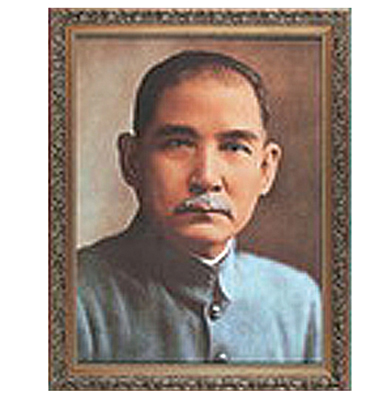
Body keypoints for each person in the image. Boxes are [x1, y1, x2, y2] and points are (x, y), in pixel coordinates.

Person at [77, 50, 322, 363]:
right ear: (132, 161)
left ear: (266, 170)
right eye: (178, 144)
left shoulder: (298, 302)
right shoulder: (72, 295)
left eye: (234, 147)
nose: (206, 178)